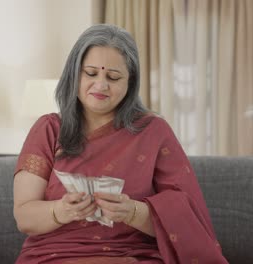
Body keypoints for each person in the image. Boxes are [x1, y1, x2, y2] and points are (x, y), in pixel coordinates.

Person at [13, 24, 228, 264]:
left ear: (130, 82)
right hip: (55, 256)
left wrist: (133, 212)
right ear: (75, 74)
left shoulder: (153, 131)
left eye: (113, 77)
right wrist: (61, 211)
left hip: (132, 255)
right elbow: (24, 216)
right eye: (91, 73)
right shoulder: (49, 129)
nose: (101, 85)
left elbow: (186, 216)